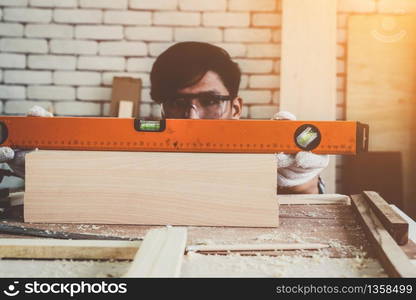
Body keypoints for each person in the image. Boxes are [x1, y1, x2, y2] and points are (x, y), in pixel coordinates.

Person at [0, 41, 329, 194]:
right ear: (161, 107)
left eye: (211, 101)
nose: (193, 117)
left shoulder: (264, 157)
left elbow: (308, 201)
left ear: (236, 107)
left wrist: (300, 181)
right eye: (177, 103)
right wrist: (46, 171)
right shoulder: (139, 152)